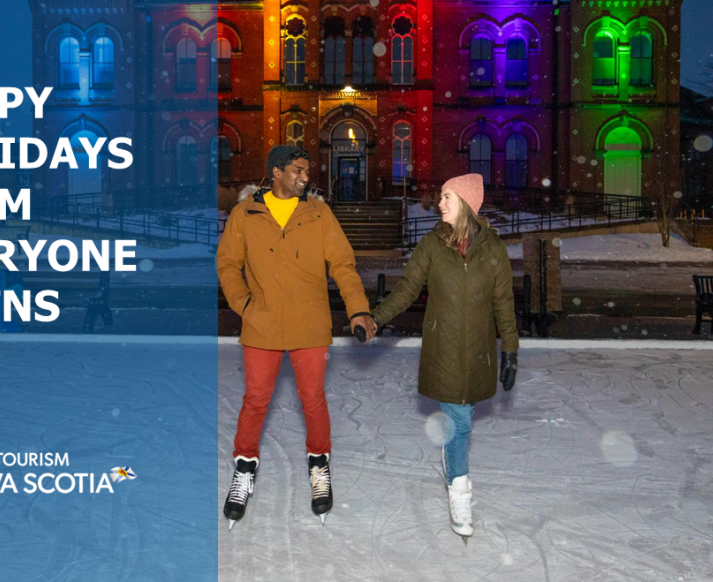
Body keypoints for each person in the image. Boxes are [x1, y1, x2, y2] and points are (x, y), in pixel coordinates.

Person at [217, 145, 378, 528]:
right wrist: (245, 306)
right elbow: (227, 264)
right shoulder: (246, 214)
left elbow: (342, 263)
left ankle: (319, 469)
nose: (306, 177)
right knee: (255, 401)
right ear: (276, 172)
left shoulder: (318, 213)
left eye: (307, 170)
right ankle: (244, 471)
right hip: (262, 326)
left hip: (310, 325)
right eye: (298, 170)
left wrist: (358, 308)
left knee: (312, 400)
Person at [369, 173, 518, 543]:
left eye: (447, 196)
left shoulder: (493, 249)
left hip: (478, 350)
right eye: (441, 196)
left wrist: (511, 351)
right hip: (444, 349)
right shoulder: (432, 245)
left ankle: (453, 467)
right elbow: (406, 289)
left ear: (466, 202)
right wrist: (375, 318)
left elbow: (504, 304)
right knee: (460, 421)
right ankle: (460, 491)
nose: (440, 203)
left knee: (460, 418)